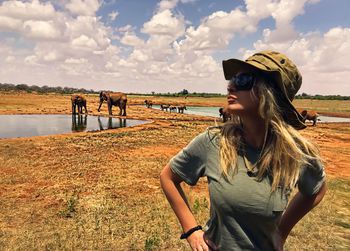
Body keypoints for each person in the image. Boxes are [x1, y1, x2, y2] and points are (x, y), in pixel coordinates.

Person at [160, 50, 326, 251]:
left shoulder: (294, 152)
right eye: (232, 79)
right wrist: (192, 231)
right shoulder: (213, 142)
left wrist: (281, 232)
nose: (231, 85)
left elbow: (316, 190)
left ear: (269, 92)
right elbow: (168, 177)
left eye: (243, 79)